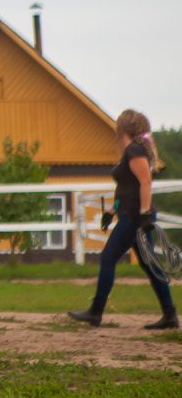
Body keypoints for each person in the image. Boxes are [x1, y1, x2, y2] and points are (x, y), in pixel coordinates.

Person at [68, 109, 176, 329]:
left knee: (108, 258)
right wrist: (111, 211)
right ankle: (170, 315)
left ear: (123, 127)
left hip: (135, 217)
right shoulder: (132, 151)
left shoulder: (135, 150)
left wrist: (145, 214)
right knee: (149, 265)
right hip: (130, 213)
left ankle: (96, 312)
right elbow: (127, 188)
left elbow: (145, 182)